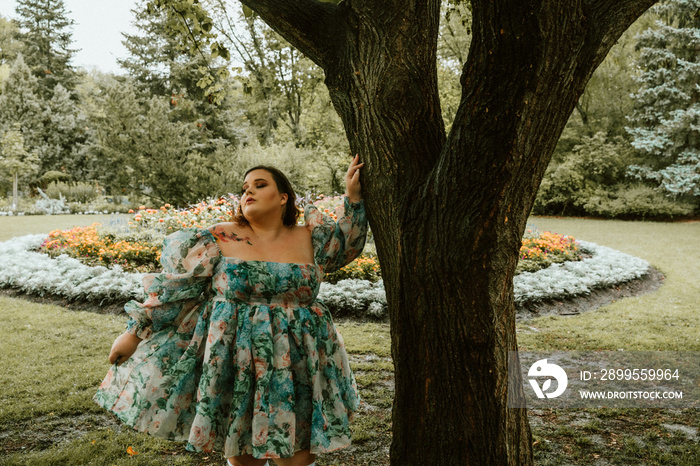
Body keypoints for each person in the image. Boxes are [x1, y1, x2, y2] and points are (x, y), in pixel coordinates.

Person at [94, 156, 367, 466]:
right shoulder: (219, 237)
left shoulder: (310, 237)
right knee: (244, 458)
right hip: (236, 357)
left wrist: (353, 196)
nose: (248, 192)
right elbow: (174, 291)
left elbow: (347, 246)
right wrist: (133, 334)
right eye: (244, 188)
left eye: (260, 185)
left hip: (298, 359)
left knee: (296, 458)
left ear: (283, 197)